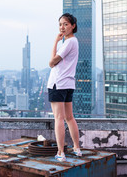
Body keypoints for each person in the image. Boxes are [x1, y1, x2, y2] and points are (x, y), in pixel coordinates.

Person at [47, 13, 82, 162]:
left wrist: (55, 42)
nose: (62, 27)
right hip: (68, 84)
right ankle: (76, 148)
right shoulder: (73, 42)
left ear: (73, 26)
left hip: (58, 83)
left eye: (65, 24)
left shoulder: (68, 43)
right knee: (69, 117)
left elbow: (52, 62)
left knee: (59, 118)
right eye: (60, 24)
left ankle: (61, 152)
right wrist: (58, 41)